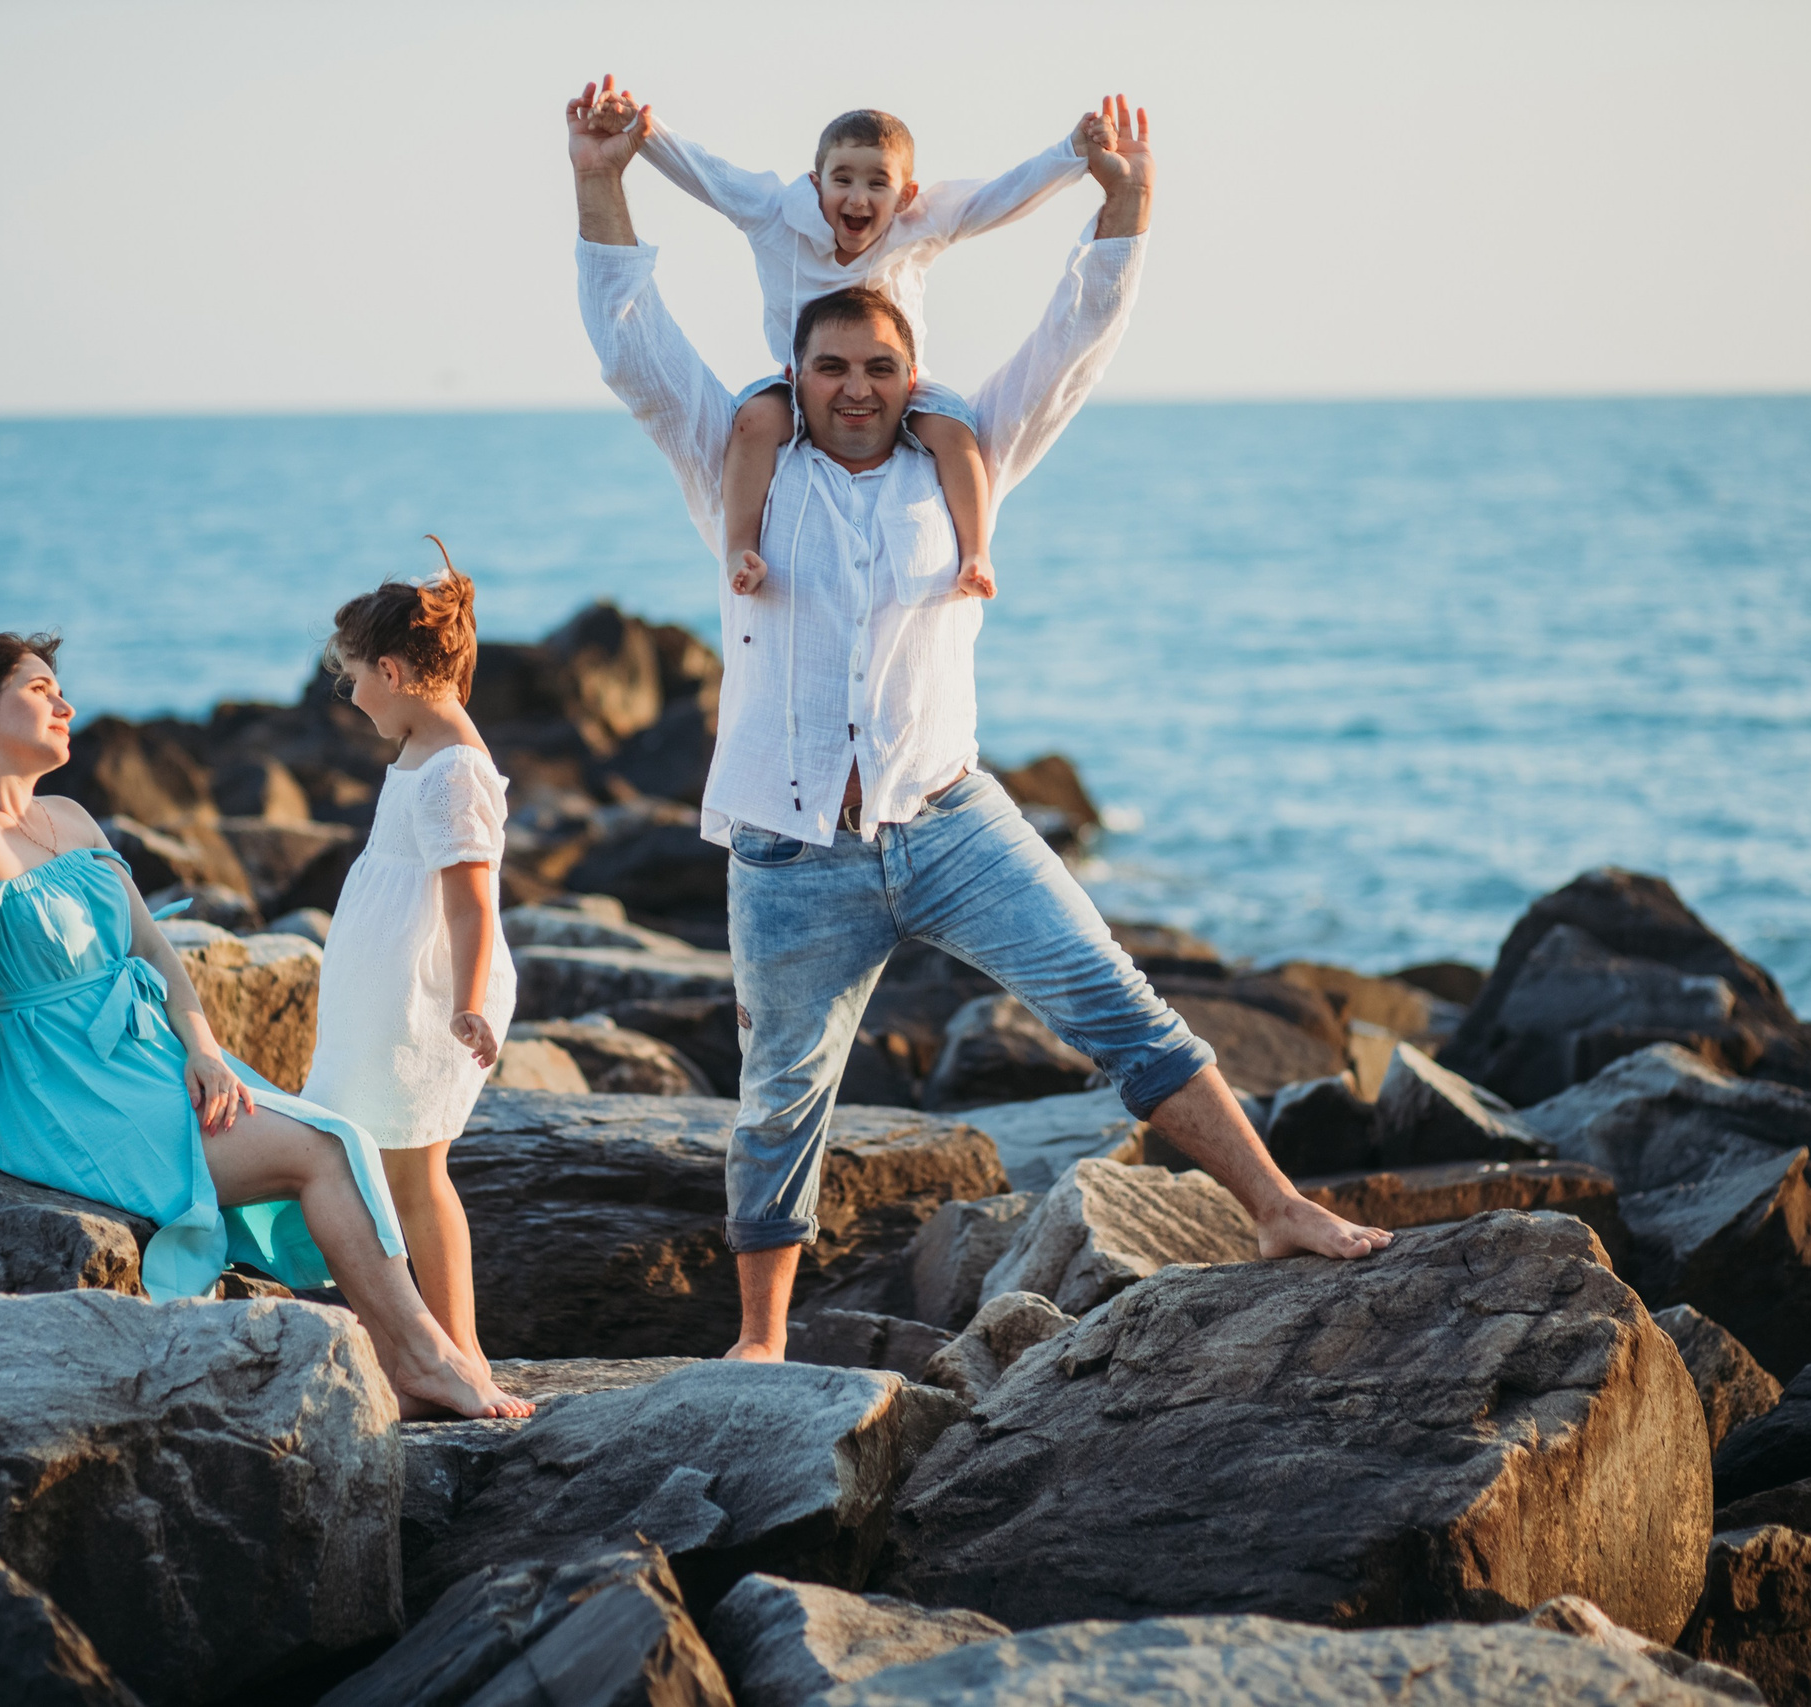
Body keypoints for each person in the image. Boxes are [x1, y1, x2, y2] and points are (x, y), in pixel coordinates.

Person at [564, 81, 1394, 1363]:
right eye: (830, 367)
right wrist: (599, 177)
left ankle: (1279, 1208)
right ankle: (760, 1341)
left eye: (878, 368)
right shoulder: (735, 462)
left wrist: (1124, 202)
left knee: (1121, 1008)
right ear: (795, 373)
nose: (854, 389)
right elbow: (631, 342)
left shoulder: (967, 459)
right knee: (781, 1097)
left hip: (951, 822)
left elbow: (1075, 338)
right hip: (790, 851)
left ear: (913, 376)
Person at [0, 630, 529, 1420]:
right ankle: (423, 1358)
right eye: (40, 689)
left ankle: (408, 1363)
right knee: (321, 1149)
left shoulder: (69, 816)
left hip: (148, 1053)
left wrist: (205, 1050)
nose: (65, 704)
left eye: (60, 688)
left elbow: (152, 948)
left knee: (339, 1137)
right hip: (57, 1084)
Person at [605, 73, 1108, 604]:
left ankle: (976, 553)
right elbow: (706, 172)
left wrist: (1072, 153)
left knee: (955, 433)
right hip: (801, 383)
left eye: (877, 183)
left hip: (901, 385)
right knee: (751, 423)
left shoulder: (921, 224)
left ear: (905, 194)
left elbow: (999, 197)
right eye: (842, 179)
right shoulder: (774, 213)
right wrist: (640, 129)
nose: (857, 197)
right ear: (816, 181)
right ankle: (739, 550)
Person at [301, 547, 516, 1378]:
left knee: (419, 1170)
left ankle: (462, 1354)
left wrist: (470, 1002)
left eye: (354, 678)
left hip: (426, 998)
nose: (353, 696)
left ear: (390, 672)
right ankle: (415, 1347)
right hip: (383, 992)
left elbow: (472, 902)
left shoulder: (454, 769)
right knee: (381, 1165)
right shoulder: (426, 749)